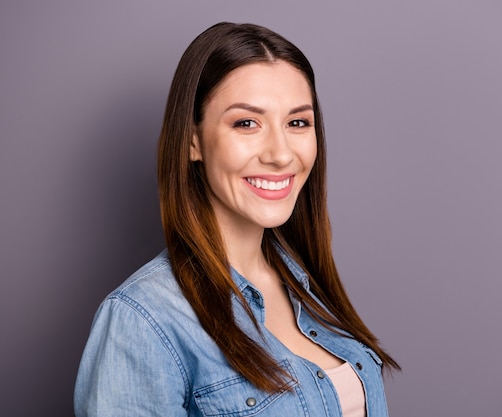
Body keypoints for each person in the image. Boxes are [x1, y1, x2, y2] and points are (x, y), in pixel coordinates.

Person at [74, 22, 400, 417]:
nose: (280, 154)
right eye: (247, 123)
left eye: (297, 122)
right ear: (193, 141)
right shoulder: (142, 320)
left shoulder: (306, 287)